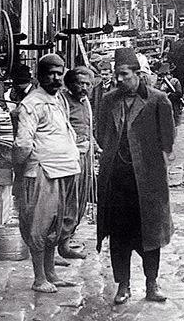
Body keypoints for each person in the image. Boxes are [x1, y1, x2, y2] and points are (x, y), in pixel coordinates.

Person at [96, 48, 175, 305]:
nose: (119, 80)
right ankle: (123, 286)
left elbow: (168, 138)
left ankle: (152, 284)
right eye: (116, 75)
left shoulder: (158, 100)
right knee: (119, 236)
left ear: (138, 74)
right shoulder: (108, 100)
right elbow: (101, 133)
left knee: (150, 235)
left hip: (148, 180)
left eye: (124, 75)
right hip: (118, 181)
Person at [12, 53, 81, 293]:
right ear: (39, 76)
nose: (55, 77)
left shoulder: (59, 98)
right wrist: (20, 172)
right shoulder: (31, 104)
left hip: (65, 170)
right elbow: (22, 144)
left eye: (58, 73)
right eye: (49, 73)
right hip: (43, 172)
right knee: (39, 227)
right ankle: (39, 277)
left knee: (56, 226)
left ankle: (51, 273)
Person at [62, 67, 100, 256]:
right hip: (69, 158)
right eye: (80, 83)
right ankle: (60, 243)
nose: (84, 87)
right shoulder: (63, 102)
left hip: (85, 157)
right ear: (70, 84)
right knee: (69, 200)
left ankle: (67, 241)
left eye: (88, 84)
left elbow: (87, 128)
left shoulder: (86, 103)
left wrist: (96, 146)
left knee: (82, 199)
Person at [91, 60, 113, 141]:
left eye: (106, 74)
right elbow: (92, 103)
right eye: (102, 74)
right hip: (99, 119)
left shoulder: (116, 88)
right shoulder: (96, 88)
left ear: (111, 74)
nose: (104, 77)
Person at [156, 62, 183, 127]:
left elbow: (179, 94)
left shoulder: (174, 81)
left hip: (173, 106)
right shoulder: (159, 83)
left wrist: (169, 95)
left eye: (167, 74)